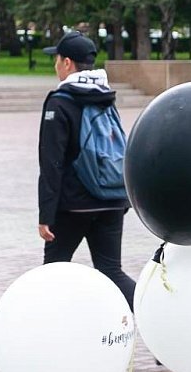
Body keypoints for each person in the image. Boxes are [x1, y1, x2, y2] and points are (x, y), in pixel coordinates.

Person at [38, 32, 135, 308]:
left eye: (56, 59)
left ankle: (47, 335)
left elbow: (51, 163)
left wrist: (46, 214)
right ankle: (160, 322)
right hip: (111, 201)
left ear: (67, 63)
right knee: (111, 271)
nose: (55, 65)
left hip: (72, 206)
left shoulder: (60, 102)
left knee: (51, 273)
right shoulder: (105, 96)